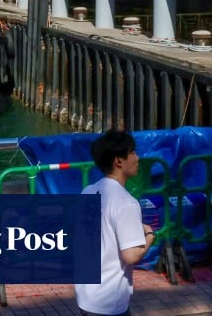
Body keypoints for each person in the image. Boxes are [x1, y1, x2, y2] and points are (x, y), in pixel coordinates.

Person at [75, 129, 155, 316]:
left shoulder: (88, 192)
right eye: (132, 152)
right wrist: (150, 235)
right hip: (109, 301)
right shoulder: (126, 203)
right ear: (118, 161)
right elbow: (131, 256)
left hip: (86, 295)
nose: (137, 158)